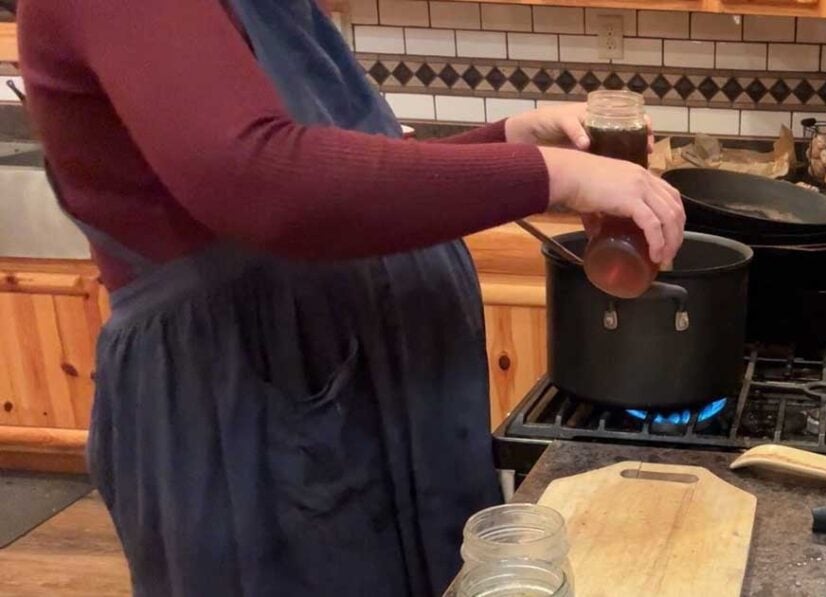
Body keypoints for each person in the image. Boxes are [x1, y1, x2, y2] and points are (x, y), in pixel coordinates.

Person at [17, 0, 684, 595]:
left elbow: (341, 174)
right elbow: (261, 181)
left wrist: (507, 139)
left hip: (348, 409)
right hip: (243, 414)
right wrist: (550, 174)